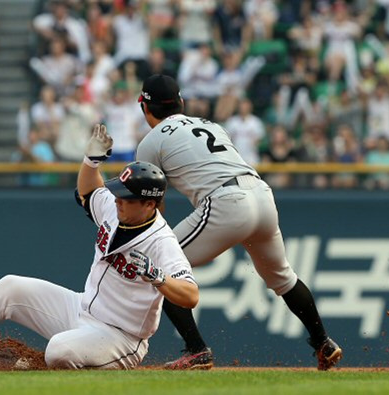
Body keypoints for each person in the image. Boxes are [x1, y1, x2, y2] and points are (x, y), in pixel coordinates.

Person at [0, 126, 199, 369]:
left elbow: (190, 295)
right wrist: (90, 162)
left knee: (58, 350)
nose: (118, 200)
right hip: (81, 309)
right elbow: (89, 190)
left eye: (127, 198)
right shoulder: (115, 210)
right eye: (118, 194)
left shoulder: (162, 241)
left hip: (121, 337)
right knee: (10, 287)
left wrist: (159, 277)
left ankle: (55, 364)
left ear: (149, 204)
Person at [133, 74, 342, 371]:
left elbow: (154, 206)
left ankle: (196, 350)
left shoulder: (151, 141)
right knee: (283, 278)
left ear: (145, 108)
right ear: (181, 102)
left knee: (161, 267)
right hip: (261, 195)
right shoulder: (211, 125)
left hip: (226, 202)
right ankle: (323, 341)